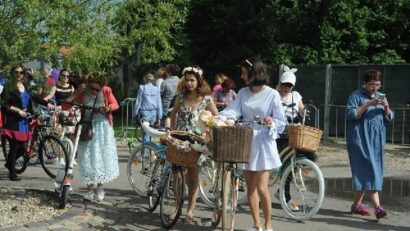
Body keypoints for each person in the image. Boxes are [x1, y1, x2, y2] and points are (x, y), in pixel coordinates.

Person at [218, 57, 286, 231]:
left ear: (253, 73)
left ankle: (268, 225)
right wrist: (220, 118)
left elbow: (281, 121)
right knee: (250, 187)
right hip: (246, 140)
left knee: (262, 187)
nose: (242, 76)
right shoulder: (242, 92)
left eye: (244, 73)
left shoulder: (272, 94)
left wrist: (271, 122)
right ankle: (256, 225)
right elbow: (233, 111)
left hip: (263, 141)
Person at [170, 66, 218, 222]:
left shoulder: (206, 99)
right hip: (180, 140)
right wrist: (171, 132)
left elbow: (216, 118)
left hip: (197, 143)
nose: (189, 83)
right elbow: (174, 112)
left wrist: (207, 133)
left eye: (192, 80)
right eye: (187, 80)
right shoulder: (180, 96)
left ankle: (190, 211)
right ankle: (177, 207)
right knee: (177, 176)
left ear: (199, 82)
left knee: (193, 177)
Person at [346, 69, 393, 219]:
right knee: (369, 171)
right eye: (372, 84)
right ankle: (378, 208)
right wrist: (366, 105)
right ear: (365, 83)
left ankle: (356, 205)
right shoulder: (356, 96)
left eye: (378, 84)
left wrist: (386, 107)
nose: (375, 88)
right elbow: (350, 114)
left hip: (376, 141)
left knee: (370, 171)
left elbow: (389, 119)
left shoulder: (381, 96)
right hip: (360, 139)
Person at [66, 73, 120, 201]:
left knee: (102, 157)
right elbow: (66, 105)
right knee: (87, 157)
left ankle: (100, 188)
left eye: (98, 89)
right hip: (86, 127)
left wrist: (107, 108)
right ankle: (90, 189)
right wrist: (75, 94)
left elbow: (115, 104)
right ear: (88, 85)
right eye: (92, 89)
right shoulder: (83, 92)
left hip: (102, 127)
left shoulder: (106, 91)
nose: (95, 91)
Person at [1, 64, 54, 181]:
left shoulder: (25, 86)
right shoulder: (8, 87)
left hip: (24, 121)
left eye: (21, 72)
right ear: (12, 73)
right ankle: (12, 173)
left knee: (23, 148)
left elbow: (35, 97)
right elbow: (4, 104)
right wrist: (18, 110)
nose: (18, 74)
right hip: (13, 121)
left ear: (23, 74)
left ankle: (10, 163)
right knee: (15, 147)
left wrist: (47, 104)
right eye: (16, 72)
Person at [133, 72, 162, 146]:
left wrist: (135, 115)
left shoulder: (142, 88)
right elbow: (159, 104)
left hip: (145, 113)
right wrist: (159, 117)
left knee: (145, 134)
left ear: (145, 79)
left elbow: (138, 103)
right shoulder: (157, 89)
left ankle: (145, 154)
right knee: (150, 134)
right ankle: (149, 153)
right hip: (154, 114)